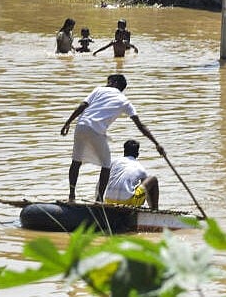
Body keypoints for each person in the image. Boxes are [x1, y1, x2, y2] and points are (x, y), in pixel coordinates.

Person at [60, 74, 164, 202]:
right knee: (106, 165)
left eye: (108, 82)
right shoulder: (125, 101)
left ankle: (71, 196)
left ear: (115, 83)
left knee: (76, 162)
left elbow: (82, 106)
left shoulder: (98, 90)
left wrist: (68, 123)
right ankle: (99, 199)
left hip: (81, 126)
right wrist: (156, 143)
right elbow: (140, 126)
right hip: (96, 129)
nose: (106, 84)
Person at [104, 139, 159, 210]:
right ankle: (154, 210)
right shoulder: (140, 168)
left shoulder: (114, 162)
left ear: (124, 152)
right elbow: (147, 190)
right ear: (137, 154)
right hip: (128, 202)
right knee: (153, 179)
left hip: (109, 200)